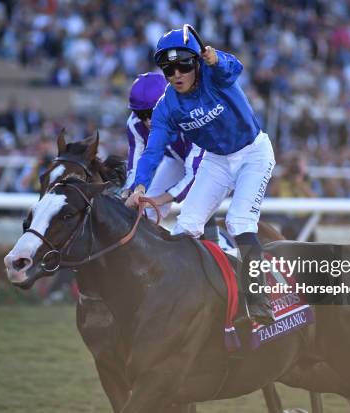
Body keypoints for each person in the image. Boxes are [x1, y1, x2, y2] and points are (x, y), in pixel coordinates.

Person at [125, 28, 276, 325]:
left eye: (183, 65)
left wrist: (215, 58)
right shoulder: (166, 105)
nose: (176, 74)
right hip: (217, 161)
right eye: (168, 69)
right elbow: (153, 150)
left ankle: (260, 301)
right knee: (185, 228)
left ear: (196, 61)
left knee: (238, 221)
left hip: (253, 154)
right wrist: (139, 184)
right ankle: (185, 299)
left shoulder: (214, 74)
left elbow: (235, 67)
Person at [124, 72, 204, 221]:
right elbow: (135, 165)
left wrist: (158, 200)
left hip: (214, 162)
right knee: (145, 213)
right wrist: (131, 192)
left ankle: (220, 242)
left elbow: (196, 174)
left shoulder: (190, 117)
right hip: (177, 160)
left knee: (191, 220)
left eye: (151, 113)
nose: (147, 121)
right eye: (141, 114)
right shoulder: (134, 124)